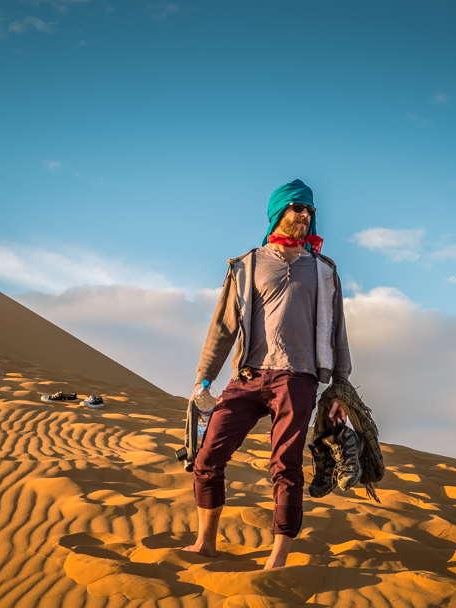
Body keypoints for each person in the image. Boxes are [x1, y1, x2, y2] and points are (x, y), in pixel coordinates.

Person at [183, 179, 352, 569]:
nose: (305, 215)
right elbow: (223, 328)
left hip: (298, 377)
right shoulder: (247, 264)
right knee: (207, 456)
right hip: (248, 375)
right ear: (279, 212)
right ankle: (205, 543)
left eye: (309, 210)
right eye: (298, 208)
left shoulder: (324, 270)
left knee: (285, 465)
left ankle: (277, 558)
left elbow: (337, 329)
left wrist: (340, 386)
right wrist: (203, 379)